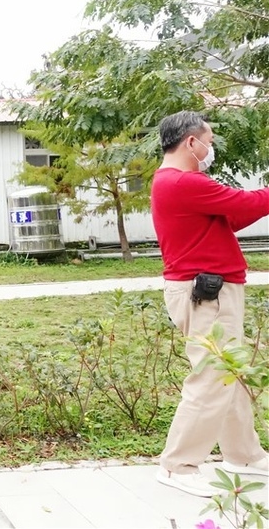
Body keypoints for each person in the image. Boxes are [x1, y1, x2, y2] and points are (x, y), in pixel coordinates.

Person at [151, 111, 269, 497]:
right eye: (209, 140)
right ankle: (177, 466)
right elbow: (246, 204)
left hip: (210, 290)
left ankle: (244, 456)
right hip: (207, 295)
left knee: (227, 374)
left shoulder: (177, 183)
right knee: (212, 377)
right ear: (191, 142)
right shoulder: (182, 182)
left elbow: (230, 217)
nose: (211, 148)